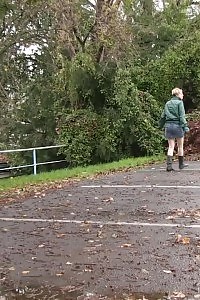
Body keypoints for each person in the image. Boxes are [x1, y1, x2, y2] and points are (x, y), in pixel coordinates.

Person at [159, 87, 189, 171]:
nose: (183, 95)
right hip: (177, 126)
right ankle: (181, 164)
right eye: (182, 93)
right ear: (178, 94)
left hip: (168, 126)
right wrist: (185, 126)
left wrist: (160, 126)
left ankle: (169, 166)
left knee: (171, 146)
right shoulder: (180, 103)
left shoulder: (167, 103)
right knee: (180, 146)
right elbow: (182, 116)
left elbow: (163, 116)